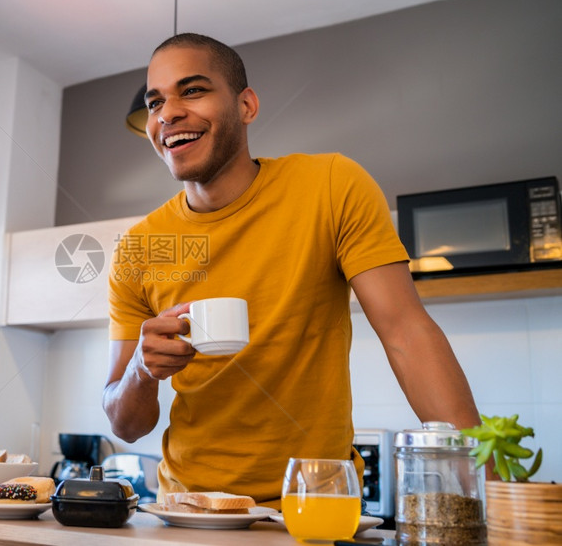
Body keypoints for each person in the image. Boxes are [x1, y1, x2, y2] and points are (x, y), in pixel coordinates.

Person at [102, 33, 481, 509]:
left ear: (246, 105)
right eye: (155, 101)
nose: (167, 113)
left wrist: (481, 480)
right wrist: (142, 368)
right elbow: (125, 424)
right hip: (190, 509)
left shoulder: (331, 185)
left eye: (193, 90)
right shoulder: (138, 249)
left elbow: (406, 332)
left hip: (316, 503)